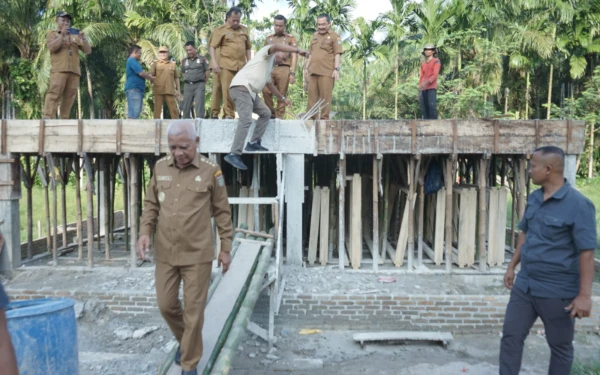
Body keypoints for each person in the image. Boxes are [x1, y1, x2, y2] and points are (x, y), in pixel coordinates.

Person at [137, 120, 233, 375]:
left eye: (184, 147)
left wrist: (225, 247)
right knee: (166, 305)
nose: (178, 153)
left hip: (197, 255)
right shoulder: (160, 168)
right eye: (173, 147)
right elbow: (151, 206)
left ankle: (189, 365)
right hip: (166, 253)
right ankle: (188, 342)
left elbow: (222, 212)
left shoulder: (212, 172)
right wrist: (144, 232)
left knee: (193, 312)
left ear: (197, 143)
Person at [499, 146, 597, 375]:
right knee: (511, 338)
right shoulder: (535, 197)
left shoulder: (578, 205)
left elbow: (587, 253)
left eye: (533, 166)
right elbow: (525, 233)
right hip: (525, 285)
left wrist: (584, 296)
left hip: (557, 290)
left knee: (560, 347)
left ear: (549, 169)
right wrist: (512, 266)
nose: (529, 170)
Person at [223, 44, 309, 170]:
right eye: (283, 57)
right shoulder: (265, 54)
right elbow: (275, 46)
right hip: (241, 88)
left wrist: (282, 98)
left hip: (250, 92)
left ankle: (253, 142)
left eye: (285, 61)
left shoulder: (269, 67)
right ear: (279, 51)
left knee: (266, 113)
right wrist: (298, 50)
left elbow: (269, 85)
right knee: (245, 119)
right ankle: (234, 153)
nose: (282, 61)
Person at [42, 10, 92, 119]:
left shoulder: (75, 35)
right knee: (54, 94)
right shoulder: (53, 34)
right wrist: (62, 35)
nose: (66, 23)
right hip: (59, 70)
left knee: (70, 97)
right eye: (63, 20)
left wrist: (83, 38)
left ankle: (64, 119)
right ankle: (48, 118)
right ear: (57, 21)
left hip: (74, 71)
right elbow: (52, 48)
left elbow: (88, 51)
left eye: (68, 21)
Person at [209, 7, 251, 119]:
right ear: (228, 18)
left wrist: (249, 62)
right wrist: (213, 62)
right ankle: (228, 114)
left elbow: (248, 48)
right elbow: (212, 46)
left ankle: (230, 112)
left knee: (236, 90)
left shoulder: (244, 30)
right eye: (234, 20)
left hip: (241, 66)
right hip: (226, 64)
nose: (236, 23)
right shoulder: (220, 30)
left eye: (238, 20)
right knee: (226, 90)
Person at [304, 13, 343, 120]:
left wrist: (336, 69)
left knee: (325, 99)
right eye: (319, 24)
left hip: (327, 72)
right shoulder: (315, 36)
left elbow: (337, 54)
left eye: (323, 24)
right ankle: (311, 120)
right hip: (313, 72)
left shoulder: (335, 36)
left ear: (329, 24)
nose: (321, 27)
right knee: (311, 99)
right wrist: (306, 68)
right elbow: (311, 54)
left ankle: (324, 120)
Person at [261, 15, 298, 119]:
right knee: (266, 90)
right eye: (276, 25)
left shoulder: (289, 39)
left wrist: (292, 73)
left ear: (285, 26)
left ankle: (279, 117)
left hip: (283, 68)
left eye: (280, 26)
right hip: (270, 68)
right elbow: (264, 54)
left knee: (282, 93)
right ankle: (271, 114)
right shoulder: (269, 38)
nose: (278, 28)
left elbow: (294, 54)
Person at [150, 46, 181, 119]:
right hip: (158, 90)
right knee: (157, 110)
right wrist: (152, 81)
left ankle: (176, 125)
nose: (163, 54)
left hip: (169, 90)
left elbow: (176, 77)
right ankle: (156, 127)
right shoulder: (155, 64)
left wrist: (178, 90)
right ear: (159, 54)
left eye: (165, 52)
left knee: (174, 110)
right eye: (161, 52)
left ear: (168, 53)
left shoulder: (172, 64)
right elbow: (150, 75)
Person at [125, 45, 154, 119]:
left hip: (135, 90)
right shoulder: (132, 60)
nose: (140, 55)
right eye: (140, 53)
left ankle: (131, 129)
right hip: (134, 90)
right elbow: (141, 73)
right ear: (135, 52)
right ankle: (131, 129)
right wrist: (151, 78)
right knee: (134, 114)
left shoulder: (132, 61)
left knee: (134, 113)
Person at [181, 42, 210, 119]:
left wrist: (204, 82)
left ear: (195, 49)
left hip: (199, 85)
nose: (189, 52)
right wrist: (188, 79)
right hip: (188, 86)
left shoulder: (202, 59)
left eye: (190, 50)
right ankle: (185, 126)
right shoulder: (184, 61)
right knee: (186, 107)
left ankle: (200, 125)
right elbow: (183, 73)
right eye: (187, 50)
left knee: (199, 106)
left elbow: (207, 71)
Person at [418, 44, 441, 120]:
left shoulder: (436, 61)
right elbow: (421, 77)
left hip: (431, 88)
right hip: (423, 89)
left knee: (432, 107)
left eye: (429, 50)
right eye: (426, 50)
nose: (427, 51)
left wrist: (426, 83)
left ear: (433, 51)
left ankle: (435, 127)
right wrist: (419, 89)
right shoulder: (423, 64)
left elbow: (435, 75)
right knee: (424, 110)